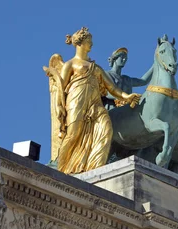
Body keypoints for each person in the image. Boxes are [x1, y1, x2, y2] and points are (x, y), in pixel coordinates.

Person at [44, 27, 141, 174]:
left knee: (106, 129)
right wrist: (59, 105)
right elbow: (60, 87)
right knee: (73, 135)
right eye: (89, 41)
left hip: (95, 105)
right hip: (76, 102)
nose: (92, 44)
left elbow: (112, 88)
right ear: (80, 43)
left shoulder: (96, 68)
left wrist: (126, 97)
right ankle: (61, 170)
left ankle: (94, 169)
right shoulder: (70, 64)